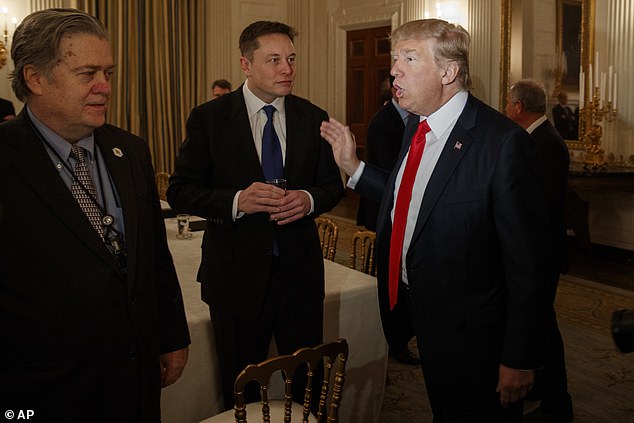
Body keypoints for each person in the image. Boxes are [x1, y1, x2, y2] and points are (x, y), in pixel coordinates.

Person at [321, 19, 551, 422]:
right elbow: (411, 198)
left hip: (477, 335)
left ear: (448, 72)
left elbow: (531, 265)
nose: (394, 70)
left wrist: (520, 356)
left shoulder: (503, 144)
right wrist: (354, 167)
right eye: (395, 60)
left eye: (409, 59)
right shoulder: (417, 125)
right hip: (425, 316)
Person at [0, 9, 190, 421]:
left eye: (108, 72)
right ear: (35, 78)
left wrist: (172, 336)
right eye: (88, 73)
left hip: (136, 385)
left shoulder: (131, 150)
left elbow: (154, 256)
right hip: (44, 389)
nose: (105, 87)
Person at [167, 20, 344, 410]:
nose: (288, 69)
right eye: (275, 60)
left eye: (292, 59)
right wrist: (236, 202)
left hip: (299, 276)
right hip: (235, 278)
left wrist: (308, 200)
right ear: (246, 65)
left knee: (306, 386)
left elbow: (333, 186)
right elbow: (179, 191)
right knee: (240, 386)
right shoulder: (209, 119)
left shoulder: (312, 116)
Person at [506, 80, 573, 423]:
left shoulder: (545, 143)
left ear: (518, 107)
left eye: (508, 103)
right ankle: (537, 386)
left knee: (543, 327)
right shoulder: (535, 138)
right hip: (535, 250)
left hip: (541, 253)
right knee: (537, 324)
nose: (506, 109)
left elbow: (540, 207)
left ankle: (557, 403)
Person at [356, 75, 419, 366]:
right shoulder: (384, 122)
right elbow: (390, 172)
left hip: (406, 210)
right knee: (388, 277)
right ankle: (393, 338)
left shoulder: (415, 118)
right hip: (384, 207)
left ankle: (402, 332)